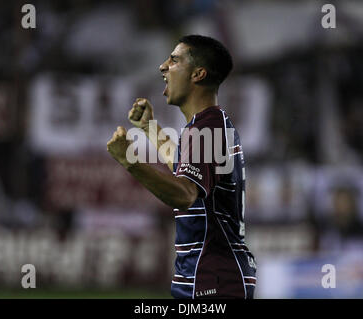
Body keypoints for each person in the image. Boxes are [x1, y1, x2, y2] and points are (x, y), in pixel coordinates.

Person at [107, 35, 256, 299]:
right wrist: (150, 129)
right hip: (209, 276)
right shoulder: (209, 125)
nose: (163, 67)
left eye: (174, 60)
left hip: (213, 279)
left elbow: (186, 194)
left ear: (198, 74)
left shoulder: (207, 127)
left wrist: (130, 161)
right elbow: (185, 169)